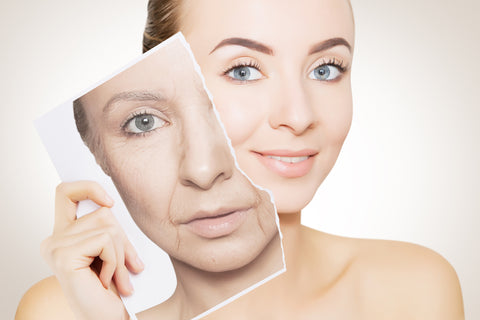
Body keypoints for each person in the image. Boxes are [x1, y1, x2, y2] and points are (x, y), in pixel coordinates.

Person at [17, 0, 465, 319]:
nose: (299, 116)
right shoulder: (62, 311)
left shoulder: (414, 291)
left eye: (326, 68)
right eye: (243, 70)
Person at [16, 35, 283, 320]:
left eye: (240, 80)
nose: (203, 171)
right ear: (100, 157)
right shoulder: (62, 311)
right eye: (144, 123)